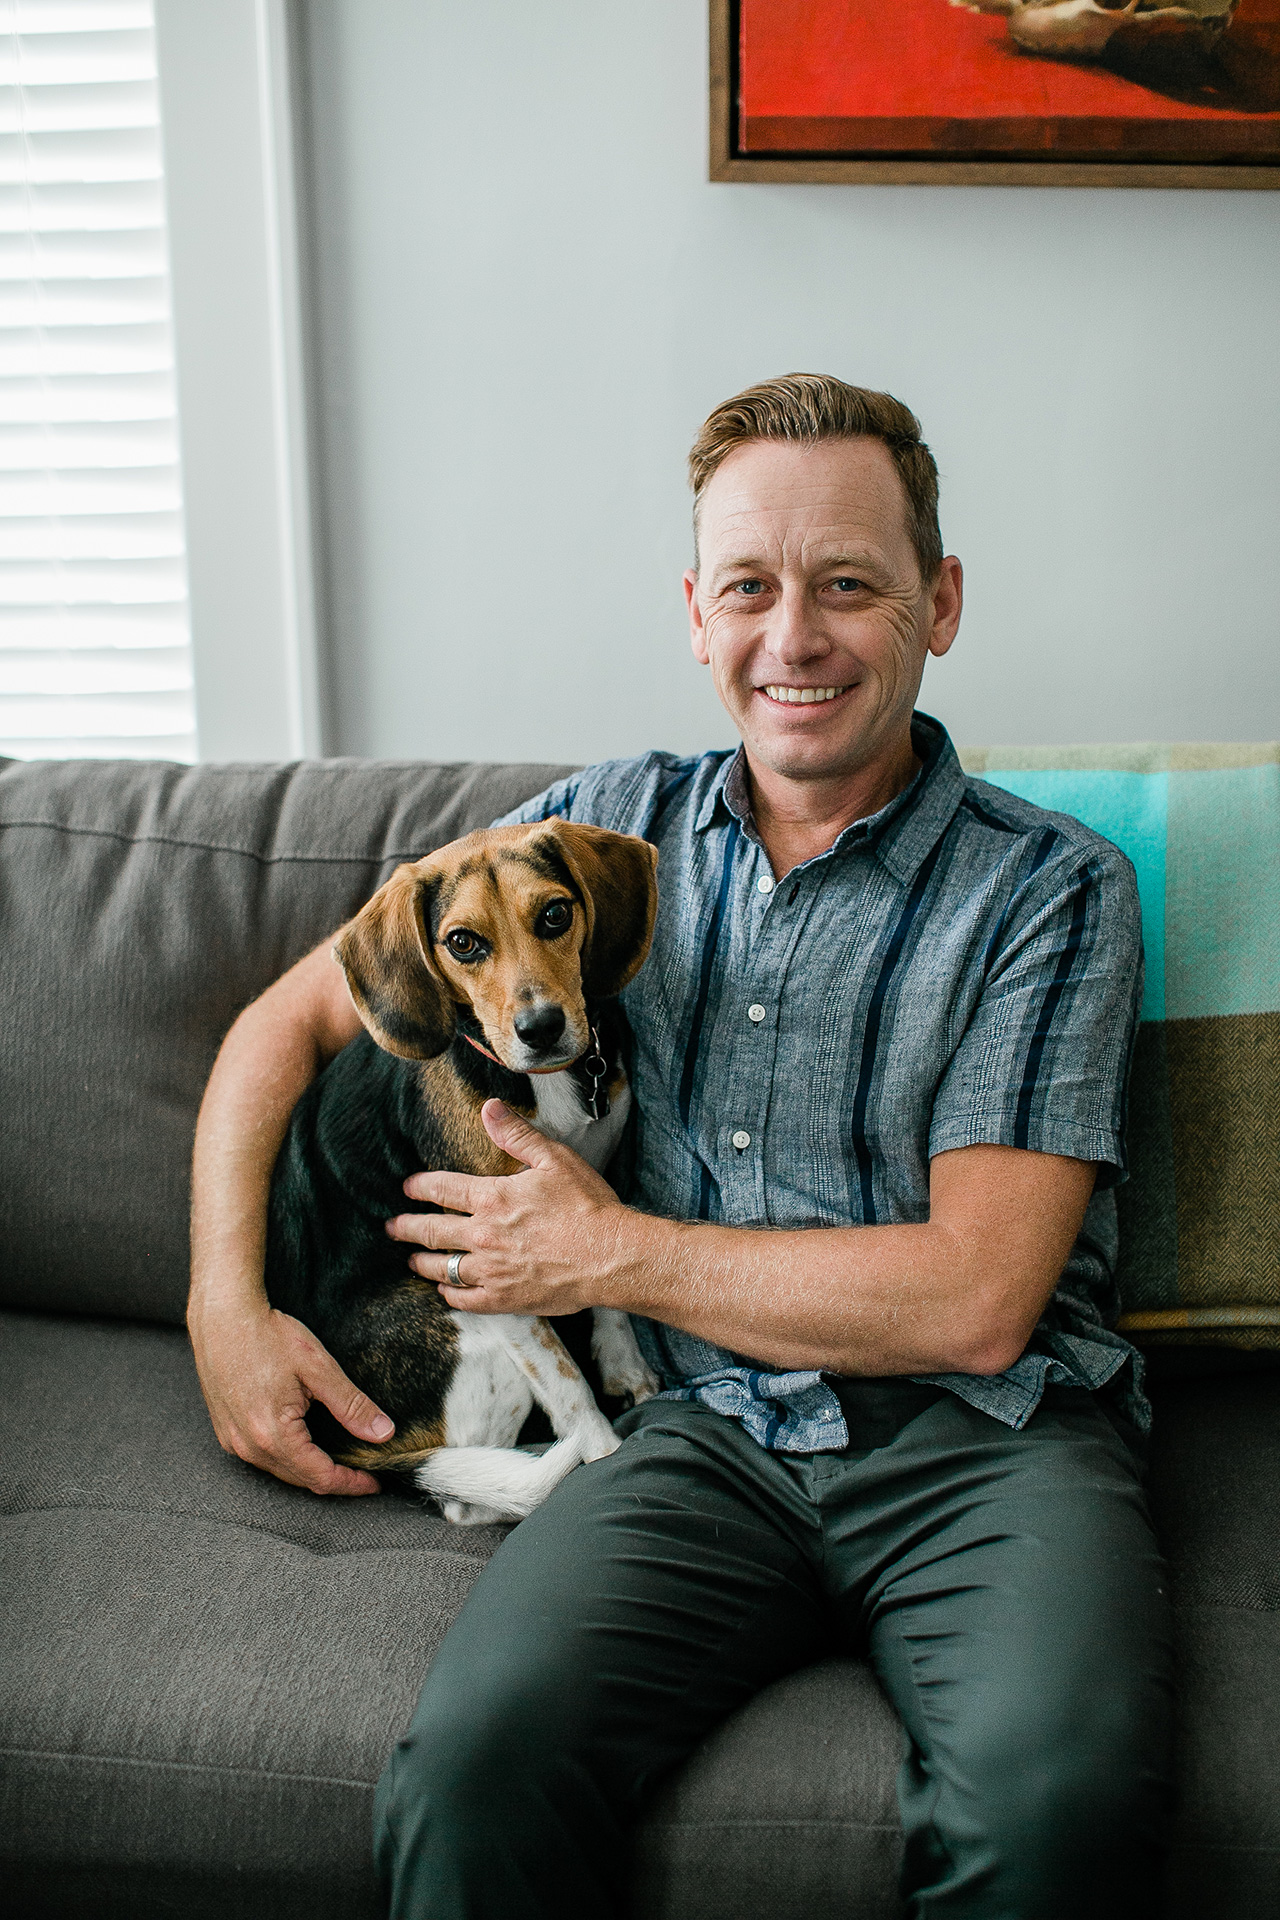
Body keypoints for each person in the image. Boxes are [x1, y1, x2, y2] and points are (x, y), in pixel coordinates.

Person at [188, 375, 1175, 1919]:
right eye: (750, 588)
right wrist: (222, 1303)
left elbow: (978, 1298)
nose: (795, 637)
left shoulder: (1053, 895)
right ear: (697, 616)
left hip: (991, 1441)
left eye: (850, 582)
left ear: (943, 602)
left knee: (1063, 1809)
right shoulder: (594, 837)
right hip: (701, 1442)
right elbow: (284, 1025)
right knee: (472, 1780)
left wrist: (613, 1254)